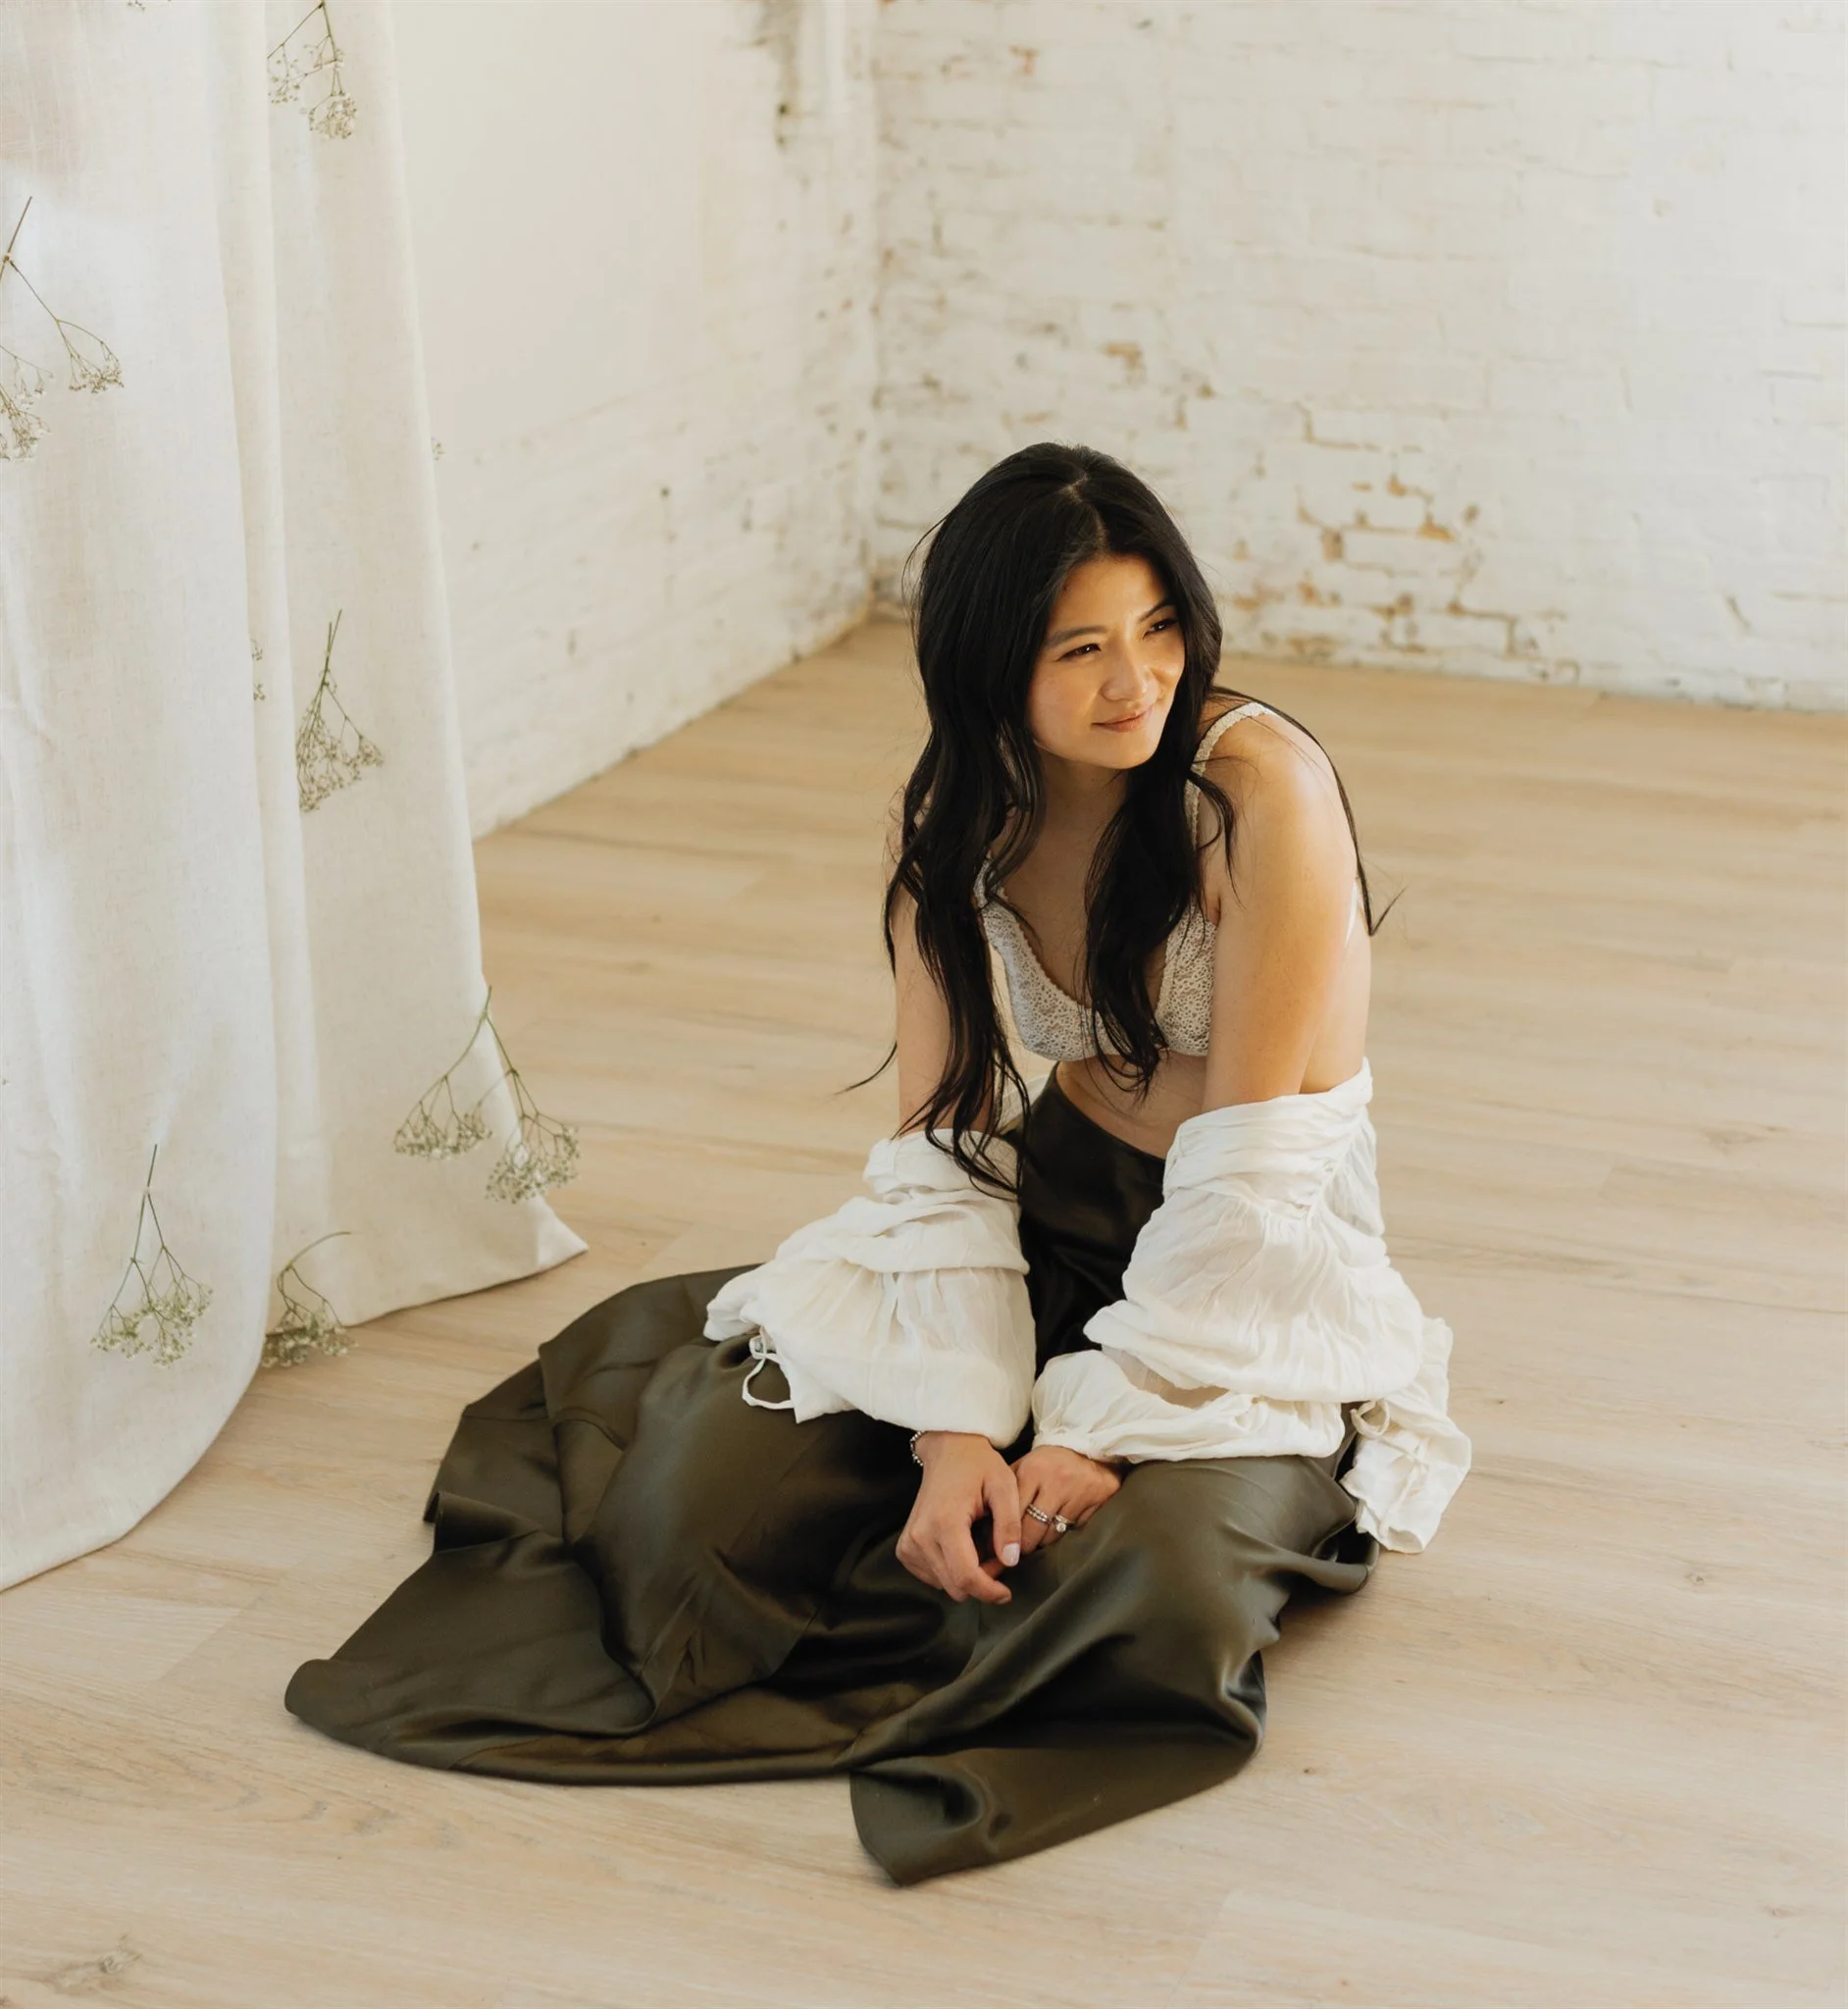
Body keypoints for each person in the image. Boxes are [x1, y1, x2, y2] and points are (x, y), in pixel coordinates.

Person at [285, 442, 1470, 1884]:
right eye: (1082, 648)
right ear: (986, 669)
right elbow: (950, 1141)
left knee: (1145, 1590)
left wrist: (1098, 1426)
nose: (1136, 682)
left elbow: (1253, 1163)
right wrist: (957, 1425)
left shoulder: (1254, 787)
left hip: (1240, 1265)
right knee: (697, 1510)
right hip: (1055, 1212)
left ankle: (1047, 1552)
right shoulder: (966, 826)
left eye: (1160, 629)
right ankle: (940, 1476)